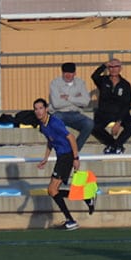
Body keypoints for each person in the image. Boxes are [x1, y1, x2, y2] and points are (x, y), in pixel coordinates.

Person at [34, 97, 92, 230]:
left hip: (66, 156)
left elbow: (71, 137)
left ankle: (71, 219)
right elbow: (51, 141)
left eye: (41, 108)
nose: (38, 111)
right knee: (52, 191)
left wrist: (76, 158)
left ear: (46, 109)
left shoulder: (54, 122)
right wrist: (46, 157)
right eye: (36, 109)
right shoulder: (42, 126)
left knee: (52, 190)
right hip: (61, 157)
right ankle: (84, 198)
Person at [90, 58, 131, 154]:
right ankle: (112, 144)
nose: (113, 69)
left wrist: (119, 122)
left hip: (120, 113)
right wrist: (103, 65)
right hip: (104, 113)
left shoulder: (125, 85)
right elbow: (94, 76)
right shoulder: (103, 81)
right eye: (111, 67)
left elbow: (127, 104)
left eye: (116, 67)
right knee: (93, 127)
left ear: (120, 68)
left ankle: (118, 145)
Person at [48, 62, 94, 150]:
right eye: (65, 72)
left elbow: (86, 102)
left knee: (89, 124)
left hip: (76, 113)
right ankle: (62, 146)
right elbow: (56, 104)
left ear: (75, 73)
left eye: (70, 72)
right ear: (62, 73)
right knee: (55, 121)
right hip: (59, 113)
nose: (68, 75)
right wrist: (77, 99)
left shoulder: (80, 83)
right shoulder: (55, 83)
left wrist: (68, 97)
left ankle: (75, 149)